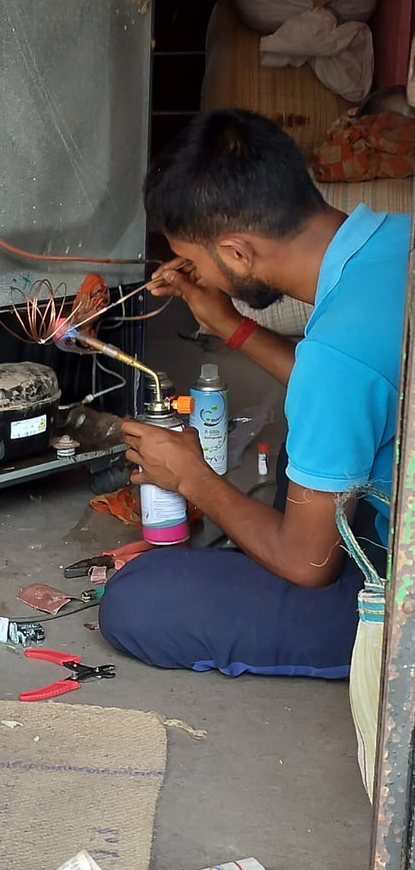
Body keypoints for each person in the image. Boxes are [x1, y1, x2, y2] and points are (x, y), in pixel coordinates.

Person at [99, 108, 410, 678]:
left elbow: (308, 562)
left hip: (401, 593)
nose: (196, 274)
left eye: (195, 261)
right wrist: (228, 322)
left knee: (138, 598)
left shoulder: (337, 354)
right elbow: (361, 388)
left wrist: (192, 477)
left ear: (238, 252)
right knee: (304, 442)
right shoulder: (397, 239)